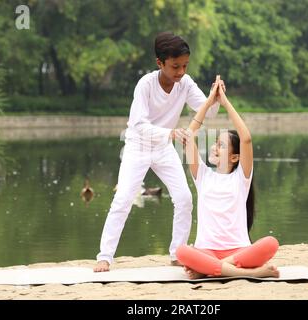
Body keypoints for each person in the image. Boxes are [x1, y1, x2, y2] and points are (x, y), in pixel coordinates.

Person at [94, 32, 223, 272]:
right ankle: (105, 256)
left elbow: (210, 113)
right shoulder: (145, 84)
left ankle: (177, 253)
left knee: (184, 198)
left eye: (184, 66)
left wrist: (216, 97)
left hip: (163, 148)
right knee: (123, 199)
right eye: (175, 66)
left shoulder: (185, 83)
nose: (181, 72)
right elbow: (139, 124)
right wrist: (170, 133)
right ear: (160, 63)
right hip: (138, 146)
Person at [176, 76, 280, 279]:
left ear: (234, 156)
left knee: (271, 243)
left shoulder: (241, 178)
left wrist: (224, 102)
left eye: (221, 145)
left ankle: (213, 269)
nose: (214, 147)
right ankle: (252, 273)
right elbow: (189, 137)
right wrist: (209, 101)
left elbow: (246, 138)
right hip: (207, 250)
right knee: (182, 252)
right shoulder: (203, 175)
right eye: (215, 143)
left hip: (239, 251)